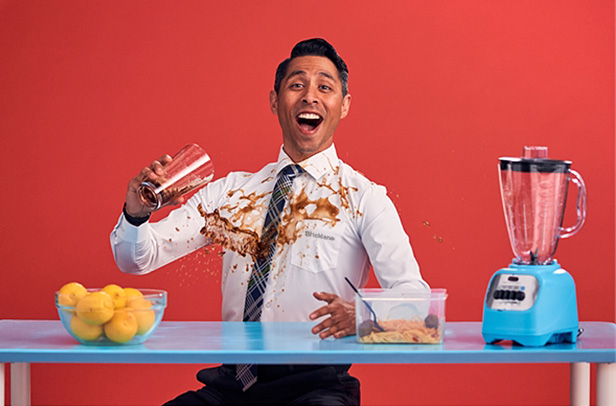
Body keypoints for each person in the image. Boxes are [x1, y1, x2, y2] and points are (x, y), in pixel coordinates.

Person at [111, 38, 429, 405]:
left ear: (343, 106)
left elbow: (416, 301)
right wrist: (136, 213)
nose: (310, 96)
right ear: (275, 101)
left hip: (316, 386)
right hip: (229, 386)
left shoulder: (363, 198)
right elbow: (136, 258)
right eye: (297, 85)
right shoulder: (229, 193)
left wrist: (365, 314)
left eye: (324, 87)